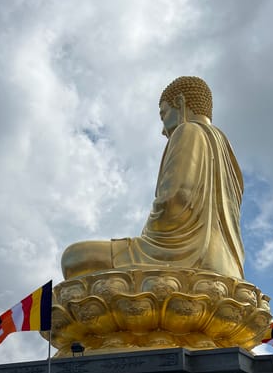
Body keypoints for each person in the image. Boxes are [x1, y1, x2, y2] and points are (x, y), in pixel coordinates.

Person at [61, 76, 245, 281]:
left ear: (181, 103)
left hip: (181, 255)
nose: (163, 129)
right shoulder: (228, 152)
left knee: (74, 257)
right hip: (228, 268)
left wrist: (145, 238)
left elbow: (175, 200)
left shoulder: (188, 130)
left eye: (164, 114)